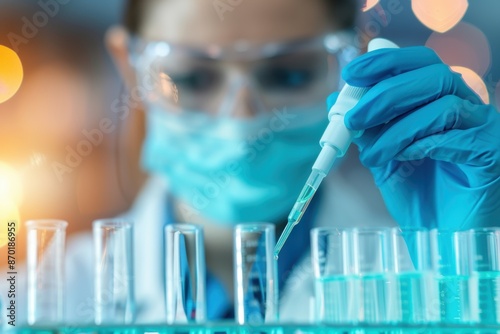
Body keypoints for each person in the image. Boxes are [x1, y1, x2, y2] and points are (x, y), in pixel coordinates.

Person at [4, 0, 500, 325]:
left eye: (286, 74)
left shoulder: (426, 278)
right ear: (128, 66)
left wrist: (474, 284)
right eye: (193, 78)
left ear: (351, 58)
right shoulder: (31, 304)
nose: (242, 117)